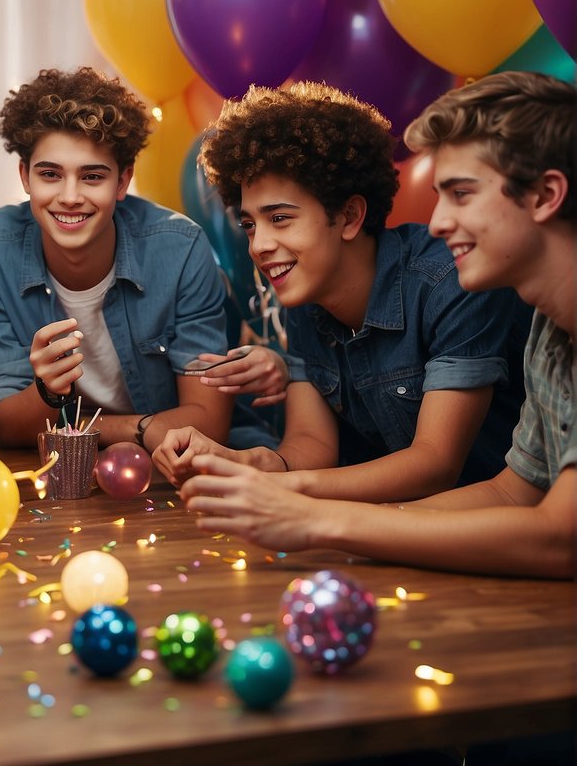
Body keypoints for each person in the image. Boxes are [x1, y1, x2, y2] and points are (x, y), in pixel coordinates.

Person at [181, 71, 574, 579]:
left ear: (545, 196)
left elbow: (557, 536)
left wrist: (314, 514)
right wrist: (278, 483)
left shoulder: (449, 284)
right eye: (251, 225)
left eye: (461, 193)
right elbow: (512, 490)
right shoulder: (551, 332)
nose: (436, 221)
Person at [155, 81, 530, 503]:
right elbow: (311, 446)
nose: (258, 245)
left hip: (495, 532)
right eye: (249, 224)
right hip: (394, 533)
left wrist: (275, 488)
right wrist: (248, 463)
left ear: (349, 216)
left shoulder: (451, 279)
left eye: (280, 218)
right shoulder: (304, 296)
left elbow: (434, 463)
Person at [0, 67, 276, 453]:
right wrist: (48, 392)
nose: (70, 196)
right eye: (50, 175)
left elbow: (208, 421)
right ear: (25, 177)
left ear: (123, 181)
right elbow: (7, 426)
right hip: (58, 468)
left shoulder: (179, 249)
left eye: (92, 177)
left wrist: (91, 428)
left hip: (172, 466)